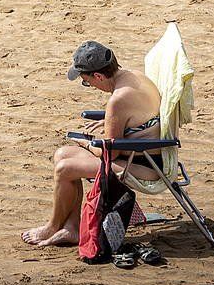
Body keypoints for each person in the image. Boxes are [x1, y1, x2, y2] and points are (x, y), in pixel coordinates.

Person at [21, 41, 164, 247]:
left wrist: (87, 142)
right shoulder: (134, 77)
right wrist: (110, 121)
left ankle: (52, 227)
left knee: (64, 169)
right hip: (142, 153)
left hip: (144, 166)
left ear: (98, 76)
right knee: (62, 154)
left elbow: (111, 154)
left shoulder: (118, 99)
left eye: (86, 81)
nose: (90, 86)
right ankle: (72, 228)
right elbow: (136, 118)